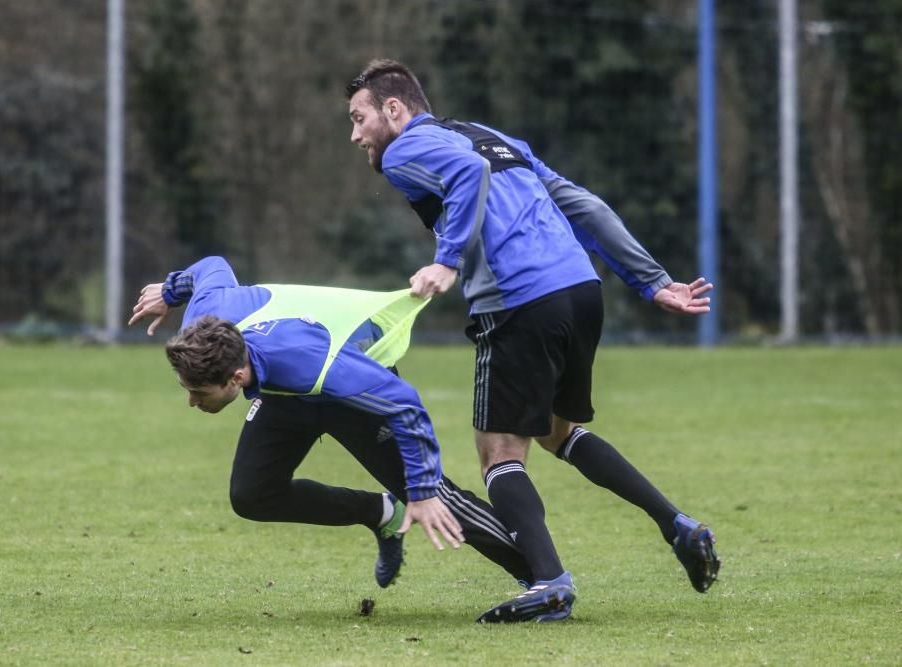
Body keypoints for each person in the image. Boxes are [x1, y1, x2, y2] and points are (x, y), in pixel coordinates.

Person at [345, 58, 721, 622]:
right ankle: (679, 527)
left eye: (359, 118)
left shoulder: (405, 150)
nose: (355, 136)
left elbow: (468, 177)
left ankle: (549, 584)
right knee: (557, 432)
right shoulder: (491, 137)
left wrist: (446, 262)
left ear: (394, 110)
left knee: (498, 452)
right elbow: (582, 204)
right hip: (578, 291)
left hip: (519, 301)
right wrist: (652, 282)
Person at [129, 256, 559, 622]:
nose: (190, 402)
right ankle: (379, 512)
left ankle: (544, 581)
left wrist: (422, 491)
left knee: (431, 495)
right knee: (252, 496)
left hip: (342, 381)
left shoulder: (311, 363)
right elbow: (213, 266)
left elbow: (404, 405)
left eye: (198, 393)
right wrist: (171, 290)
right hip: (283, 392)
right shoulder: (203, 317)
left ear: (235, 378)